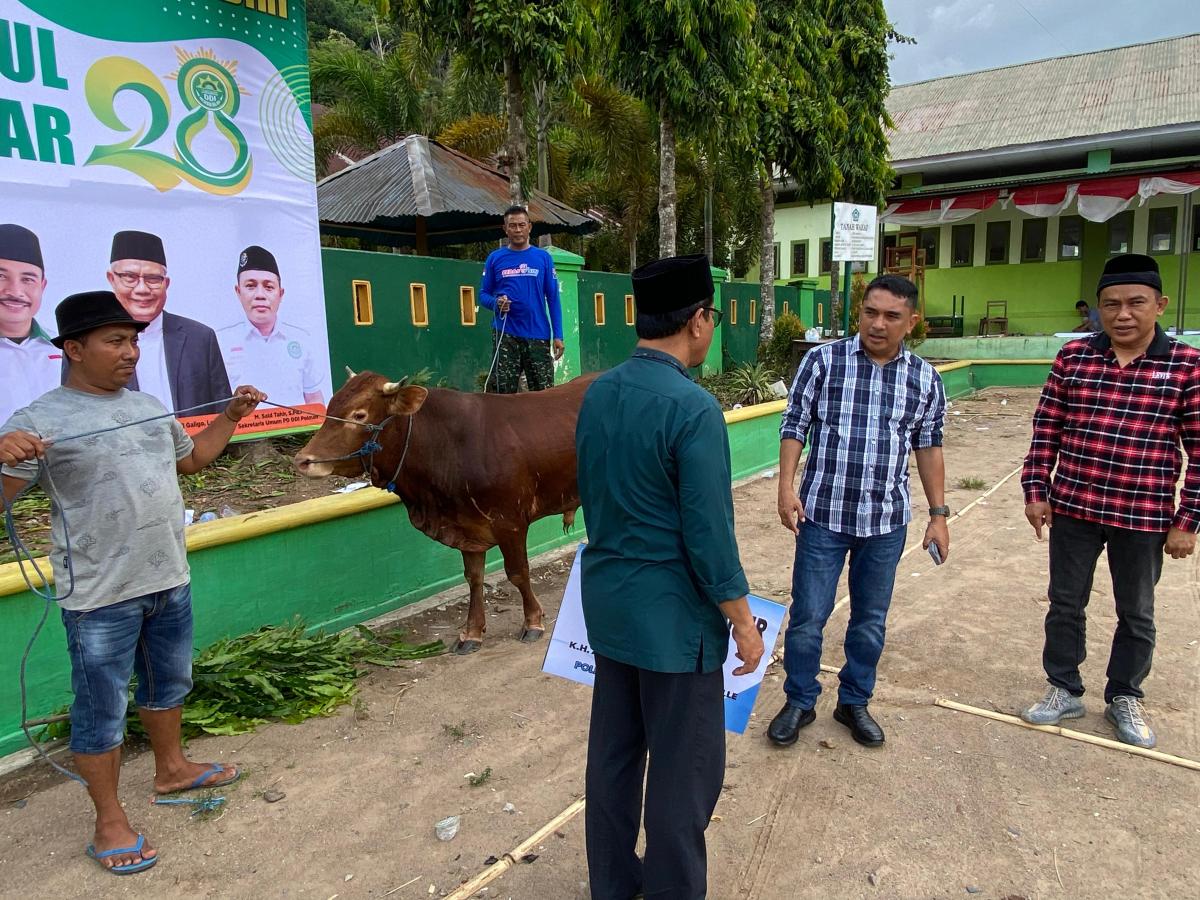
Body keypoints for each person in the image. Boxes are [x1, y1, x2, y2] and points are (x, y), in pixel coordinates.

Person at [0, 290, 265, 876]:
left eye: (134, 341)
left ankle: (171, 771)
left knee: (168, 683)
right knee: (100, 710)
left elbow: (191, 462)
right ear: (73, 349)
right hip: (97, 596)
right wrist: (2, 455)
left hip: (167, 578)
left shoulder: (147, 405)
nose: (130, 352)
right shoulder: (38, 422)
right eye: (114, 342)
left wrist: (231, 418)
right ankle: (109, 820)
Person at [575, 253, 764, 900]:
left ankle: (613, 887)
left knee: (615, 760)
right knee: (684, 779)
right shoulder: (692, 409)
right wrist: (743, 622)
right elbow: (709, 536)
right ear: (698, 321)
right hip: (674, 626)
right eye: (711, 314)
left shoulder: (598, 391)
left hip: (608, 608)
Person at [1019, 253, 1199, 749]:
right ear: (1098, 309)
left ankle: (1124, 695)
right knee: (1064, 602)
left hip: (1143, 516)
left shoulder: (1186, 366)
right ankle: (1064, 688)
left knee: (1136, 611)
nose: (1123, 314)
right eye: (1111, 304)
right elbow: (1046, 429)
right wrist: (1036, 491)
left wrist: (1187, 521)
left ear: (1159, 305)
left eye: (1136, 303)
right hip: (1074, 507)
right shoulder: (1074, 358)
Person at [769, 273, 948, 750]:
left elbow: (928, 447)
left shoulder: (924, 379)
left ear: (911, 322)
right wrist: (787, 487)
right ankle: (800, 699)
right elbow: (794, 424)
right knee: (808, 615)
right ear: (859, 314)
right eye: (871, 312)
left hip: (885, 523)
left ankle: (854, 701)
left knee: (870, 621)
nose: (878, 323)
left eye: (892, 316)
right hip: (822, 516)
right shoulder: (822, 362)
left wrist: (939, 514)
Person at [106, 230, 232, 414]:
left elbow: (224, 411)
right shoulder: (89, 344)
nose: (142, 289)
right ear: (112, 279)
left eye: (153, 279)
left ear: (167, 283)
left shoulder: (200, 338)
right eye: (129, 277)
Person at [218, 245, 326, 407]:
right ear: (238, 291)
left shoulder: (302, 339)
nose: (260, 295)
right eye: (251, 286)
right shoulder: (220, 342)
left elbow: (314, 400)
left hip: (296, 430)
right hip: (242, 432)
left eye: (268, 287)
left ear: (280, 293)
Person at [478, 206, 564, 393]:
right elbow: (483, 295)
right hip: (506, 335)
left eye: (521, 225)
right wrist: (496, 303)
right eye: (513, 226)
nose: (517, 230)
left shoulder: (543, 258)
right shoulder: (495, 258)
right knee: (504, 395)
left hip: (538, 335)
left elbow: (553, 298)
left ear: (529, 227)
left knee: (543, 394)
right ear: (505, 229)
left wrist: (558, 335)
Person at [0, 223, 60, 426]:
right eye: (1, 276)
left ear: (42, 286)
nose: (15, 291)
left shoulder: (68, 349)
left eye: (28, 279)